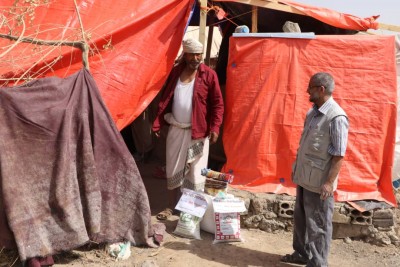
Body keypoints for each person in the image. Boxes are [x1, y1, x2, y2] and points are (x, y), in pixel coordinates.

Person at [281, 72, 349, 267]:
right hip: (304, 177)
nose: (306, 91)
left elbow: (338, 155)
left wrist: (328, 183)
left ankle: (318, 263)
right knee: (301, 220)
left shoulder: (336, 117)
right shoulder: (313, 112)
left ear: (321, 89)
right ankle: (301, 254)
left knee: (318, 224)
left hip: (319, 183)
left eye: (310, 87)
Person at [152, 38, 224, 220]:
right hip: (176, 129)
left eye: (199, 54)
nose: (196, 58)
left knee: (196, 170)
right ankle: (171, 206)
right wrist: (158, 121)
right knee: (173, 168)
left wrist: (215, 127)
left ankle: (191, 210)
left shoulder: (209, 75)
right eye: (192, 54)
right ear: (185, 54)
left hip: (198, 132)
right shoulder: (176, 73)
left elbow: (218, 104)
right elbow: (165, 98)